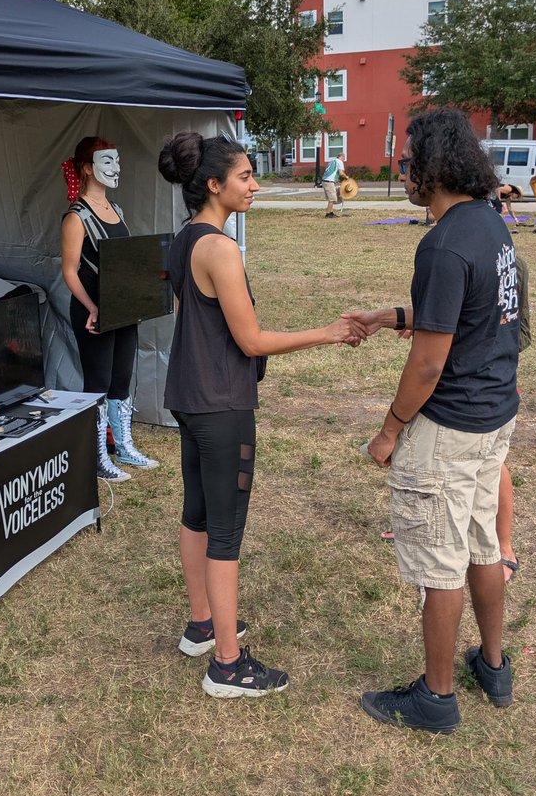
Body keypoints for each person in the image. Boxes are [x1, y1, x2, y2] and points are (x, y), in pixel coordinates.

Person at [157, 131, 358, 698]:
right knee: (225, 531)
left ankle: (202, 624)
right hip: (222, 405)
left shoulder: (184, 240)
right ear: (214, 185)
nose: (255, 185)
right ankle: (227, 664)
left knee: (196, 513)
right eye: (245, 177)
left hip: (191, 399)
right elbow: (251, 340)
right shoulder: (220, 248)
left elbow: (188, 316)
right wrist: (329, 333)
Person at [344, 109, 520, 734]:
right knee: (484, 546)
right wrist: (390, 313)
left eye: (411, 159)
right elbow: (464, 311)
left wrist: (390, 429)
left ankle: (436, 698)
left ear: (434, 166)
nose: (405, 169)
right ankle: (493, 667)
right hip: (495, 416)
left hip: (449, 429)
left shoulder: (442, 242)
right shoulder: (490, 226)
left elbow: (428, 362)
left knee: (442, 561)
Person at [61, 136, 158, 482]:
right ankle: (97, 454)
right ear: (87, 168)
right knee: (98, 382)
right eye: (107, 161)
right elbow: (70, 271)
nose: (115, 168)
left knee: (121, 378)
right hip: (93, 313)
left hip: (123, 308)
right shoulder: (76, 217)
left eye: (117, 160)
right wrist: (92, 308)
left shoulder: (118, 210)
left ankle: (123, 446)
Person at [321, 152, 346, 219]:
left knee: (330, 199)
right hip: (329, 182)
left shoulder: (332, 161)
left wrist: (336, 181)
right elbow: (341, 173)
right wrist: (347, 177)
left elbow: (332, 172)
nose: (344, 160)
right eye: (344, 158)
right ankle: (328, 214)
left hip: (325, 181)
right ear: (342, 157)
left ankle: (331, 213)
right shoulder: (340, 162)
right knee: (332, 199)